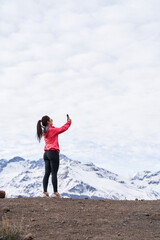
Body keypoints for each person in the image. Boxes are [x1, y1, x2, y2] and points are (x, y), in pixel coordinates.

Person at [37, 115, 71, 198]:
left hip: (46, 153)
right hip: (53, 152)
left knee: (47, 173)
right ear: (48, 122)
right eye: (51, 119)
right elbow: (63, 128)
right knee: (54, 173)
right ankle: (55, 193)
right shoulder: (52, 130)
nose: (52, 120)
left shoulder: (44, 131)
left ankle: (44, 192)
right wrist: (69, 122)